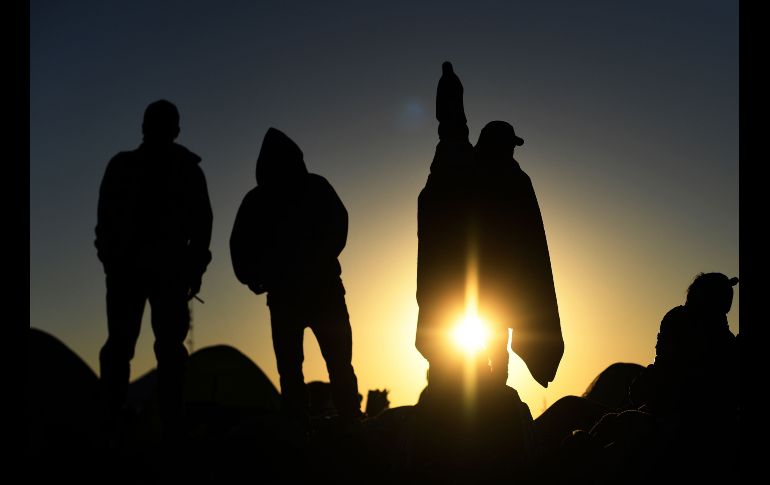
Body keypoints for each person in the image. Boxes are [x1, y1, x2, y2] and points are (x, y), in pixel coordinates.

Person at [415, 62, 564, 389]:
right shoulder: (498, 177)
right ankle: (482, 389)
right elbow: (452, 130)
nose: (513, 151)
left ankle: (487, 388)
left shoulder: (481, 173)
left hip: (483, 287)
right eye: (510, 145)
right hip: (480, 285)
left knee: (489, 338)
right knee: (484, 339)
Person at [95, 99, 213, 441]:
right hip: (137, 274)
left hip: (159, 275)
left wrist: (193, 269)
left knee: (160, 350)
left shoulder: (180, 170)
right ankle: (129, 424)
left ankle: (160, 426)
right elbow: (105, 224)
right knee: (127, 348)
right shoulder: (132, 167)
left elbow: (202, 225)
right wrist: (113, 263)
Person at [230, 127, 362, 432]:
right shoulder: (265, 199)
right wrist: (254, 277)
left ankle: (343, 418)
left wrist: (258, 276)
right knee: (301, 366)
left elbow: (338, 227)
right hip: (295, 295)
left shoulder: (311, 189)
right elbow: (241, 246)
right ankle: (308, 422)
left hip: (318, 292)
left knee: (330, 362)